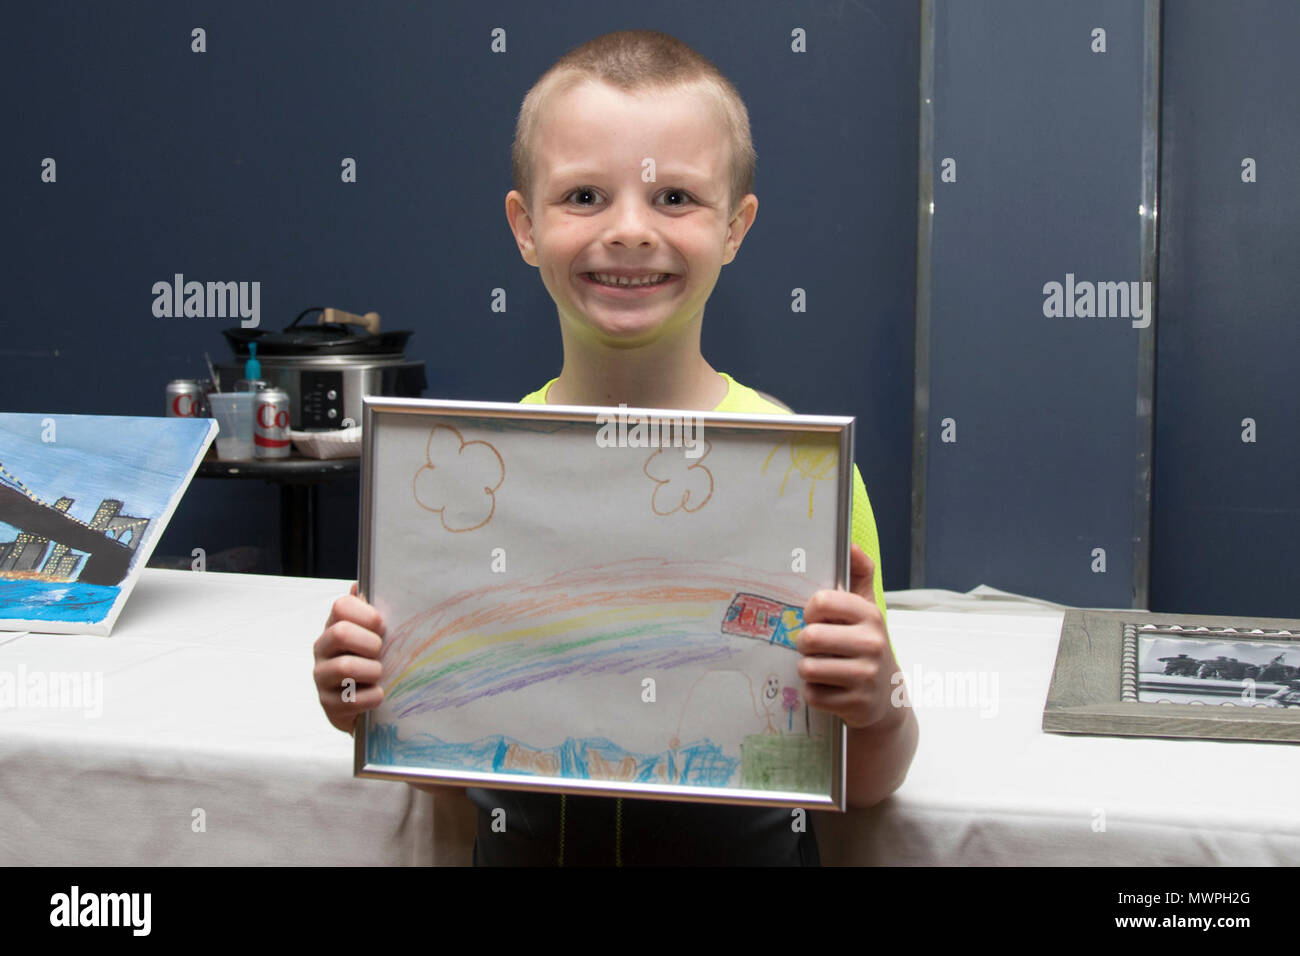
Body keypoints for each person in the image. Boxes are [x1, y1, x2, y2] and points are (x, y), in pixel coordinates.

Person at [312, 29, 918, 866]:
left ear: (736, 226)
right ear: (524, 227)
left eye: (674, 198)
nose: (630, 230)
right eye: (585, 197)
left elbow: (867, 783)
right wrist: (372, 692)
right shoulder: (466, 479)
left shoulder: (803, 476)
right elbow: (443, 770)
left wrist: (877, 707)